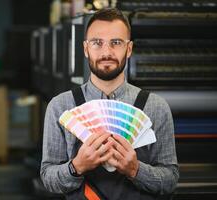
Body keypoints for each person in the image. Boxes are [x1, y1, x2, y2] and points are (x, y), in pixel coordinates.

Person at [40, 8, 179, 200]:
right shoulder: (60, 106)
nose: (107, 52)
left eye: (116, 43)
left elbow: (170, 180)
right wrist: (77, 166)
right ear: (85, 49)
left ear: (128, 49)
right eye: (97, 43)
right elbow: (48, 178)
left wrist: (135, 170)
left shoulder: (156, 107)